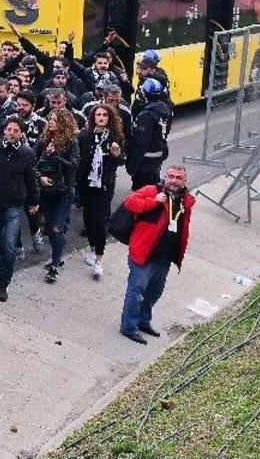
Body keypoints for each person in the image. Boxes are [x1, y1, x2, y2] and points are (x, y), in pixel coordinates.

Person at [119, 166, 194, 344]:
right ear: (164, 177)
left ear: (184, 181)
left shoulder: (185, 201)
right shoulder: (152, 191)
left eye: (178, 178)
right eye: (171, 177)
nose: (174, 181)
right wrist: (153, 201)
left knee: (154, 293)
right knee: (136, 292)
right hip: (143, 255)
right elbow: (130, 203)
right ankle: (129, 327)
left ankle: (143, 321)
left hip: (164, 257)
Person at [0, 117, 40, 302]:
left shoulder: (27, 153)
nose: (11, 133)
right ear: (4, 130)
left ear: (21, 133)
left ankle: (3, 284)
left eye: (15, 130)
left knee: (9, 247)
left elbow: (31, 179)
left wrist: (34, 202)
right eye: (9, 129)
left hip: (14, 204)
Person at [77, 104, 125, 279]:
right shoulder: (85, 135)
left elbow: (121, 161)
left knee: (100, 221)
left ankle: (99, 259)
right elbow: (79, 158)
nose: (101, 117)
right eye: (98, 114)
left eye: (105, 115)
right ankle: (91, 248)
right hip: (87, 183)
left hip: (104, 185)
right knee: (88, 219)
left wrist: (116, 154)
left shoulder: (115, 137)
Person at [35, 110, 80, 284]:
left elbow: (74, 165)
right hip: (46, 192)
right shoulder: (43, 139)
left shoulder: (71, 142)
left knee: (56, 227)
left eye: (55, 120)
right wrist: (40, 177)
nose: (51, 123)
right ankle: (57, 256)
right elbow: (33, 161)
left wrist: (57, 156)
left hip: (63, 191)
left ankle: (54, 265)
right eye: (50, 119)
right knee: (50, 227)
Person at [127, 79, 172, 189]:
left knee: (141, 192)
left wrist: (132, 165)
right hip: (158, 155)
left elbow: (140, 143)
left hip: (145, 161)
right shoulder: (165, 109)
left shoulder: (146, 116)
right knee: (153, 188)